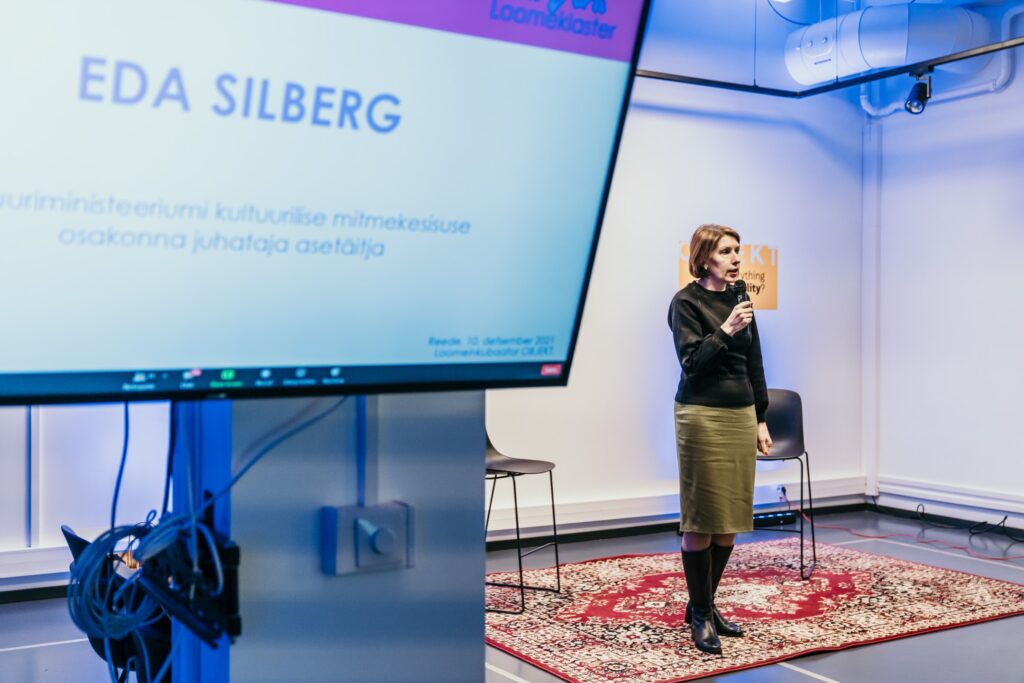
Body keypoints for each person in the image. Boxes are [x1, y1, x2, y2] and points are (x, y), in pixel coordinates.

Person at [667, 224, 771, 655]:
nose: (735, 258)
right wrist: (726, 329)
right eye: (726, 251)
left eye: (737, 250)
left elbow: (754, 362)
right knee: (702, 519)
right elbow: (693, 364)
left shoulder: (739, 299)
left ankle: (704, 605)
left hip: (740, 414)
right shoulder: (685, 303)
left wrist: (760, 418)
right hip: (702, 415)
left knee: (729, 521)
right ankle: (701, 615)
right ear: (704, 257)